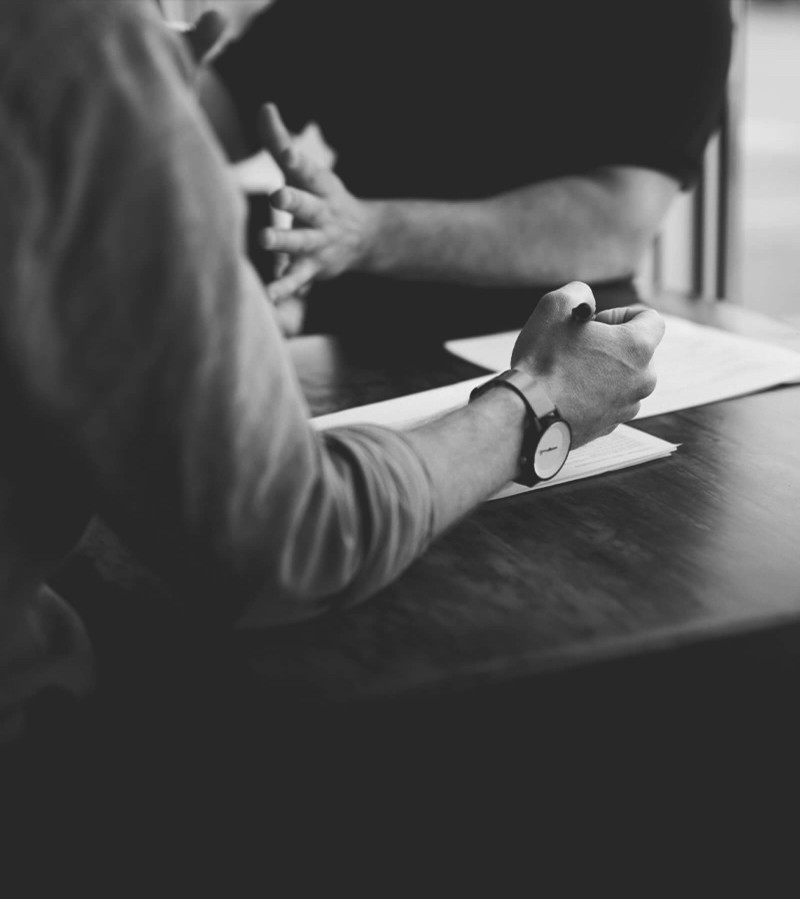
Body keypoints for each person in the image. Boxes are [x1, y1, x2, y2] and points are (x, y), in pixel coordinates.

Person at [0, 0, 664, 746]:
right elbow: (284, 541)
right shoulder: (77, 41)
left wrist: (142, 108)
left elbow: (618, 217)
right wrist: (542, 400)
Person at [196, 0, 734, 340]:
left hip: (558, 358)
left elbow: (613, 223)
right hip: (360, 343)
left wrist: (367, 231)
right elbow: (215, 112)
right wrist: (133, 73)